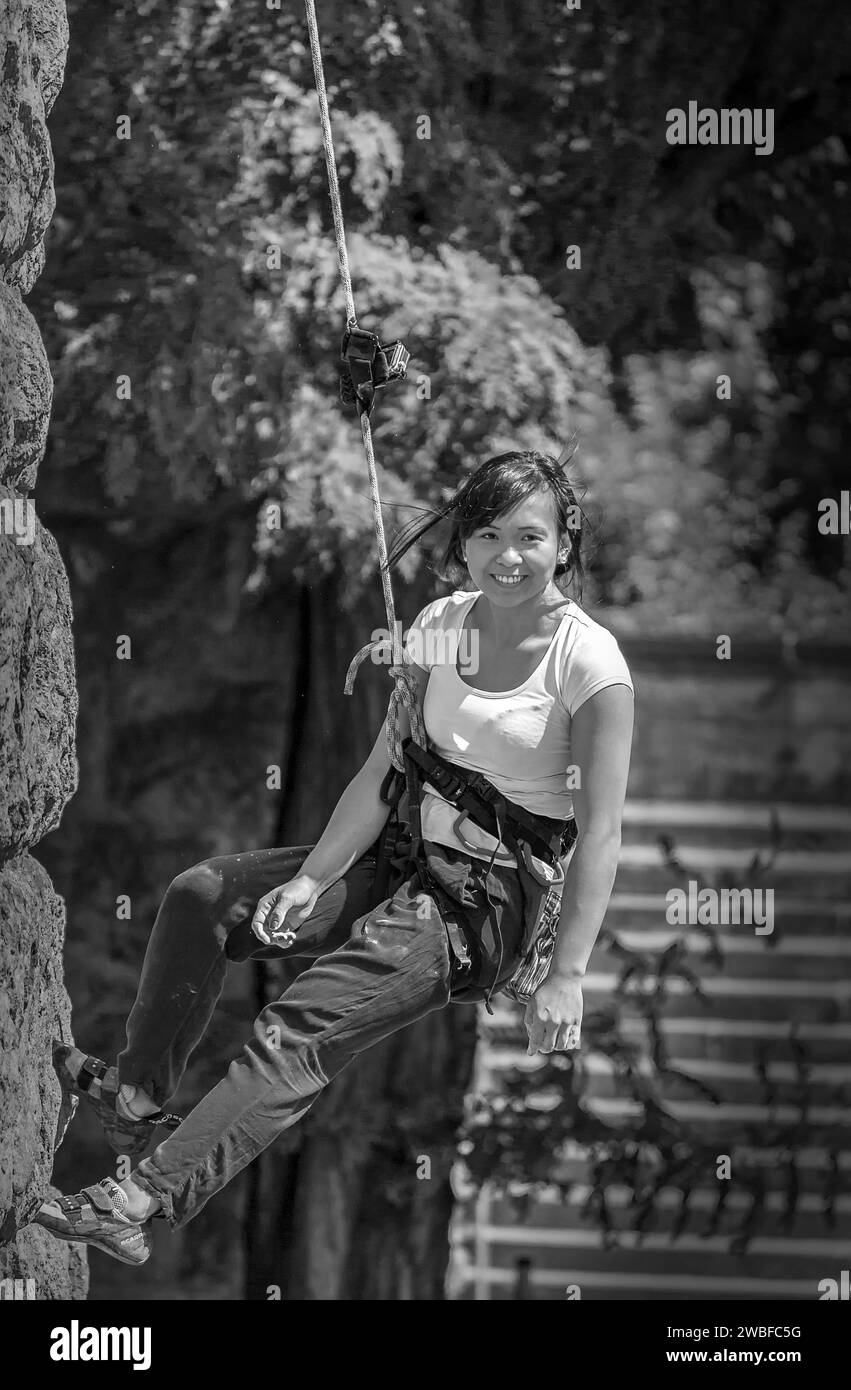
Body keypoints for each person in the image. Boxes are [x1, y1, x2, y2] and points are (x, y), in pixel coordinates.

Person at [34, 449, 634, 1266]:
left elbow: (600, 833)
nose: (508, 556)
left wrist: (565, 976)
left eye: (530, 536)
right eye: (487, 534)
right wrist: (313, 877)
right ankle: (138, 1096)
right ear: (462, 543)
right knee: (204, 895)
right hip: (398, 856)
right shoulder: (439, 625)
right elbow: (385, 773)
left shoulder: (589, 664)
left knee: (300, 1029)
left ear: (565, 542)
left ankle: (140, 1199)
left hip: (477, 908)